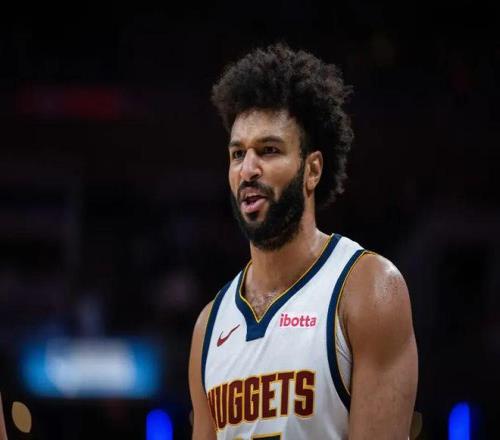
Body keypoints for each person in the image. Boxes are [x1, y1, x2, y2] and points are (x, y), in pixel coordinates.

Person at [189, 43, 418, 439]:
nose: (248, 169)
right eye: (237, 154)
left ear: (312, 170)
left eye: (268, 150)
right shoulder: (210, 326)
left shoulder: (368, 291)